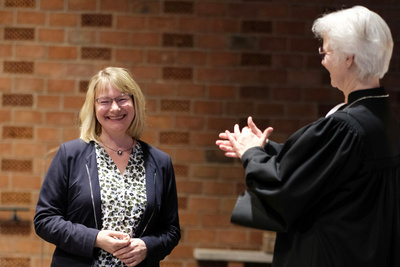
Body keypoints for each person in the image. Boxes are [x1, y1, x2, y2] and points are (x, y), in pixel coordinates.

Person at [216, 6, 400, 267]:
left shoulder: (346, 126)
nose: (323, 60)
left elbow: (283, 186)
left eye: (326, 51)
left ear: (348, 58)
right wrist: (265, 149)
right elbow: (326, 167)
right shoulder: (381, 117)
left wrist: (251, 154)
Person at [34, 67, 180, 267]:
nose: (114, 108)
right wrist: (95, 238)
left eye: (122, 99)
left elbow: (171, 231)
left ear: (135, 103)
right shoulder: (70, 154)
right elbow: (45, 220)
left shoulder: (160, 162)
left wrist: (147, 246)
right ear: (93, 107)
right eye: (104, 101)